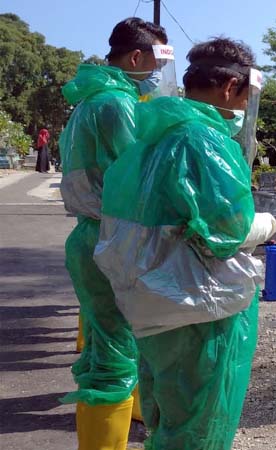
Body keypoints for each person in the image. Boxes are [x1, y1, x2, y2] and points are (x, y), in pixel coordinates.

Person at [94, 37, 276, 449]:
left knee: (167, 420)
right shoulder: (203, 141)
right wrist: (268, 223)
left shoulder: (150, 136)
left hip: (149, 305)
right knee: (201, 429)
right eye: (247, 96)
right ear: (230, 87)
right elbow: (228, 233)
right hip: (199, 312)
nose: (246, 109)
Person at [58, 17, 168, 449]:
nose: (158, 74)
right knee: (112, 359)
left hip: (93, 236)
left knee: (113, 348)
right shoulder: (115, 104)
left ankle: (125, 418)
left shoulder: (91, 100)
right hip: (113, 238)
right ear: (137, 57)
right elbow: (141, 177)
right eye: (157, 62)